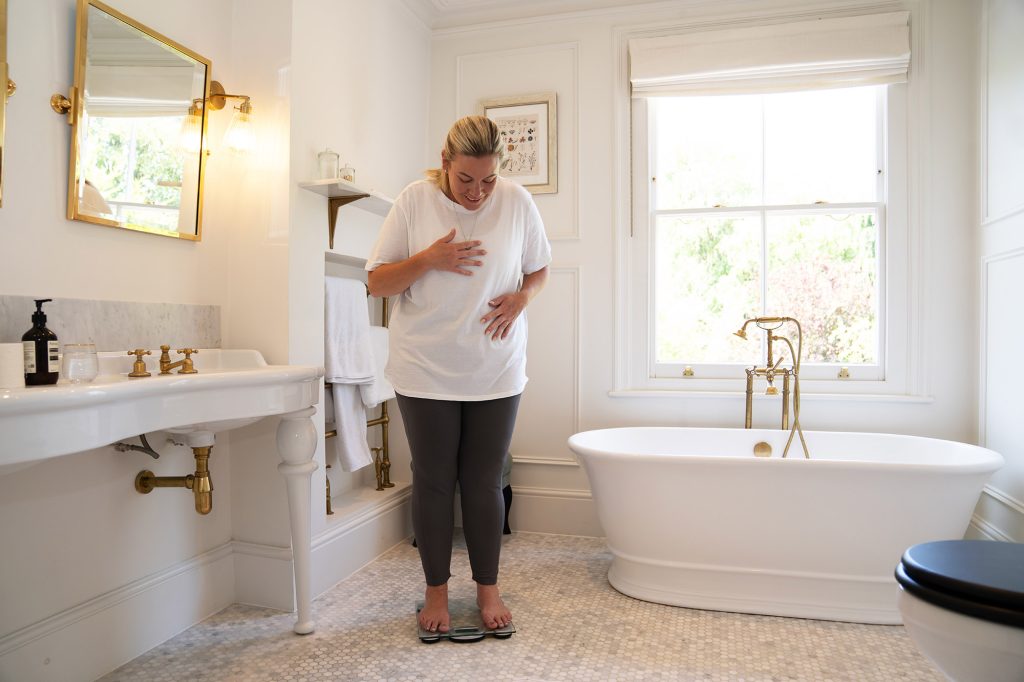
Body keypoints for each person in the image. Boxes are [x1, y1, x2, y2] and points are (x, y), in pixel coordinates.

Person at [366, 115, 551, 634]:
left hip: (495, 366)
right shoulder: (413, 201)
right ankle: (436, 595)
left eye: (488, 180)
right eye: (465, 179)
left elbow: (539, 269)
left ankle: (488, 591)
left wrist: (521, 297)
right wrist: (430, 258)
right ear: (445, 162)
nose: (477, 193)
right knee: (434, 480)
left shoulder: (516, 201)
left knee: (484, 480)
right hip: (426, 367)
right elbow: (377, 283)